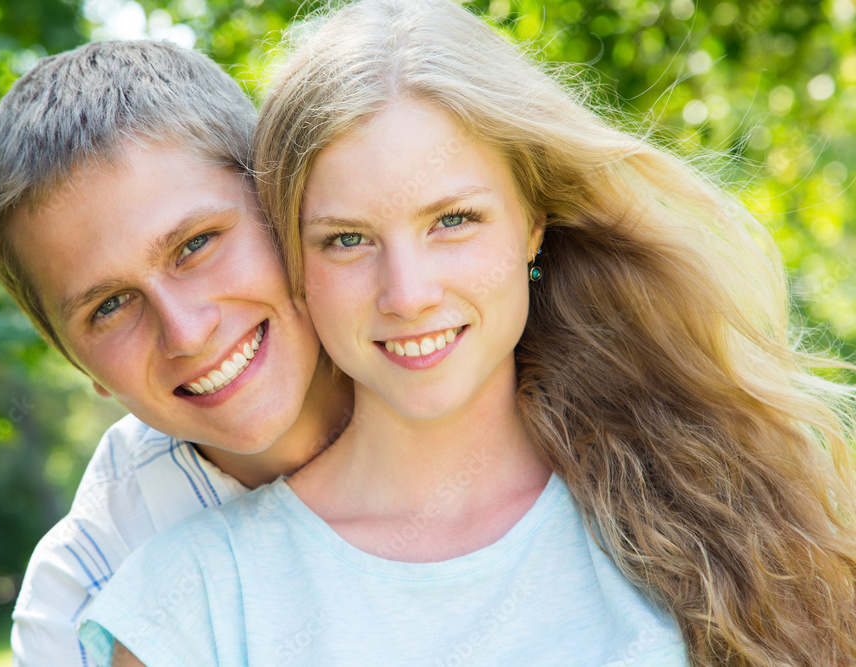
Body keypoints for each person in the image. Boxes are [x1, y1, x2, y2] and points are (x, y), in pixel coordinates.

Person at [79, 0, 856, 665]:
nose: (408, 294)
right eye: (347, 238)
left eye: (453, 220)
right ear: (295, 263)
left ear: (532, 225)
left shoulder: (729, 507)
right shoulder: (192, 608)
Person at [0, 40, 351, 665]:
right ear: (77, 364)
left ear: (281, 203)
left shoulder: (459, 364)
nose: (187, 333)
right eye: (110, 306)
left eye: (197, 244)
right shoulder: (79, 607)